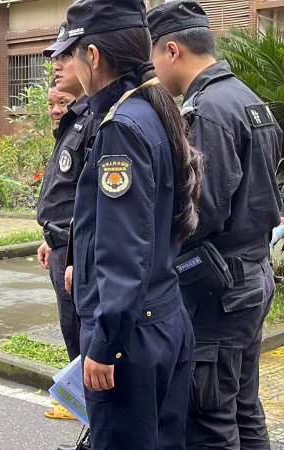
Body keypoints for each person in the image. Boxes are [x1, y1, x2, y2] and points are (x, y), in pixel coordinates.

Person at [54, 0, 205, 447]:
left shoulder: (121, 125)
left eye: (71, 53)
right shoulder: (153, 108)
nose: (68, 65)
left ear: (94, 56)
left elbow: (124, 246)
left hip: (131, 338)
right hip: (163, 318)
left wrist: (105, 344)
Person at [148, 3, 283, 448]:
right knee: (244, 408)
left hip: (219, 291)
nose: (153, 70)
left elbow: (201, 212)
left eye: (152, 58)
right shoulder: (247, 98)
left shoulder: (207, 110)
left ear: (172, 50)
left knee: (209, 419)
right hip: (252, 275)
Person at [36, 20, 98, 423]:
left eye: (65, 55)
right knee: (71, 328)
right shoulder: (73, 122)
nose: (57, 64)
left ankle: (89, 409)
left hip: (80, 251)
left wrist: (74, 249)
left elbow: (92, 199)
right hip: (63, 245)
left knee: (84, 332)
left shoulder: (97, 117)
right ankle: (83, 407)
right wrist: (53, 238)